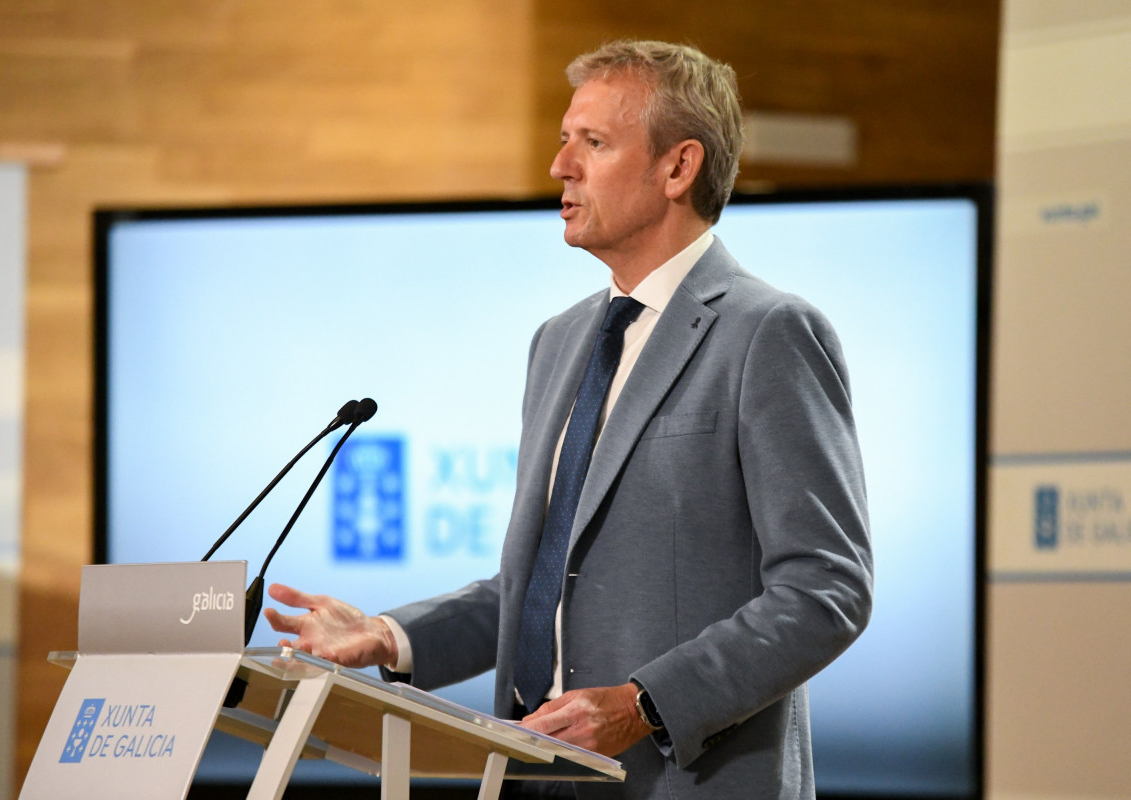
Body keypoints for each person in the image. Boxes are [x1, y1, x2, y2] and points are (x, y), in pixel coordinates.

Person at [265, 40, 873, 800]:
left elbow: (827, 590)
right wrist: (390, 635)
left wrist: (644, 705)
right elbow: (540, 589)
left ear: (678, 168)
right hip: (532, 775)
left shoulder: (767, 333)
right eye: (563, 140)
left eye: (593, 142)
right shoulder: (560, 341)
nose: (561, 166)